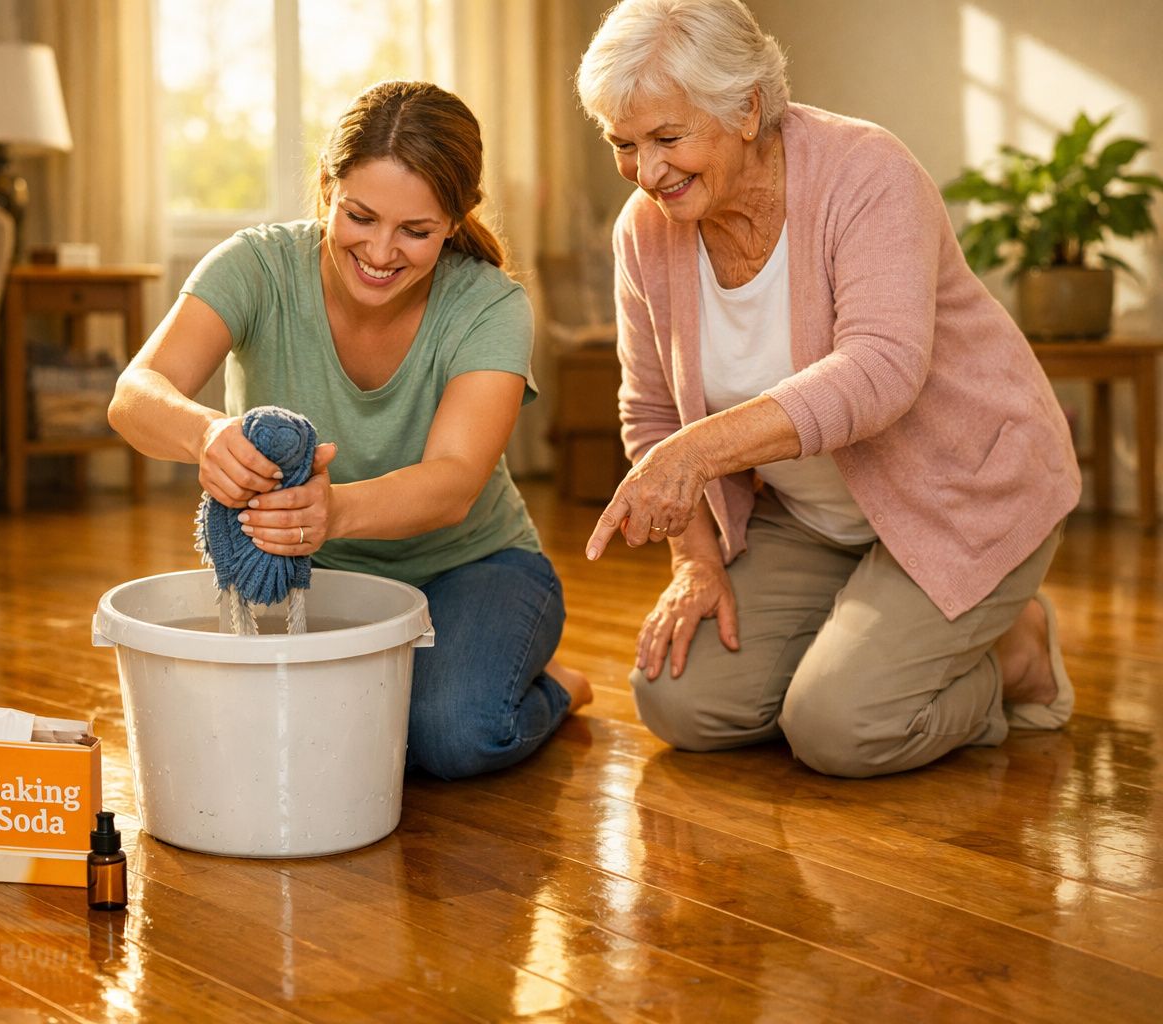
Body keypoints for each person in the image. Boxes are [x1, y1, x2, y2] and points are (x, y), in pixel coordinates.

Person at [574, 0, 1080, 778]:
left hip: (962, 496)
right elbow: (651, 412)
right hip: (813, 520)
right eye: (623, 144)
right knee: (681, 702)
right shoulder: (644, 231)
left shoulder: (866, 172)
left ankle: (1012, 660)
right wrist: (695, 559)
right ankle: (864, 639)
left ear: (746, 109)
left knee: (839, 729)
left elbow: (882, 368)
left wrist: (700, 451)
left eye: (668, 139)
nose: (647, 173)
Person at [108, 80, 591, 780]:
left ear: (455, 221)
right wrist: (205, 434)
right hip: (306, 570)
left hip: (471, 567)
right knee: (273, 737)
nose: (381, 252)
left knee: (450, 736)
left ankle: (553, 686)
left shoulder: (490, 305)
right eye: (360, 216)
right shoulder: (257, 266)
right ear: (327, 188)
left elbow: (454, 482)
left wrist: (332, 512)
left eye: (416, 231)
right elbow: (134, 394)